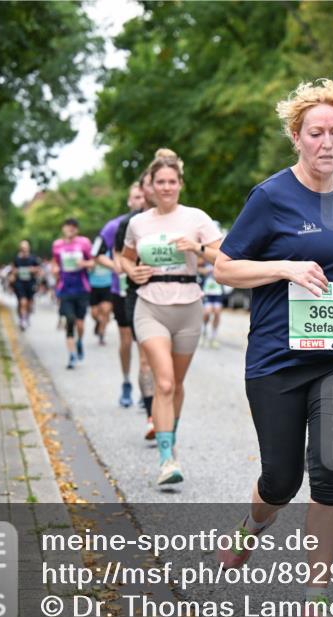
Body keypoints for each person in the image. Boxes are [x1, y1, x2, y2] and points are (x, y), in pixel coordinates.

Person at [214, 79, 333, 617]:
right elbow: (224, 268)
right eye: (316, 132)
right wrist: (285, 267)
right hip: (276, 358)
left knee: (329, 471)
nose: (327, 142)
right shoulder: (269, 198)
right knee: (281, 479)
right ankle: (251, 526)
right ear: (297, 137)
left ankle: (317, 598)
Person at [120, 149, 223, 485]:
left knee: (176, 384)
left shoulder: (196, 218)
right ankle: (166, 460)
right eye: (159, 182)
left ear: (180, 183)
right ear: (150, 186)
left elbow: (225, 256)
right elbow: (125, 258)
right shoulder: (138, 223)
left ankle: (170, 441)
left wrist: (196, 249)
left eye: (171, 181)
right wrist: (132, 273)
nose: (165, 187)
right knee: (163, 382)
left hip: (189, 305)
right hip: (150, 305)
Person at [115, 170, 158, 437]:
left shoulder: (175, 219)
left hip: (172, 295)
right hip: (138, 293)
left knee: (166, 362)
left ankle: (163, 407)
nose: (146, 194)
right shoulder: (129, 224)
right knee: (145, 357)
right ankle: (152, 415)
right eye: (143, 190)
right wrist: (131, 271)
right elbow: (121, 259)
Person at [97, 181, 146, 407]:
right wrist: (116, 264)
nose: (139, 201)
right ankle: (126, 381)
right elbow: (96, 253)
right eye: (135, 197)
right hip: (122, 290)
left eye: (142, 197)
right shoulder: (114, 226)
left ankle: (147, 393)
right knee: (127, 340)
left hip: (148, 291)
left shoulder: (155, 223)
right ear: (129, 201)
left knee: (146, 344)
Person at [51, 218, 94, 369]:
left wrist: (84, 264)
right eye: (67, 227)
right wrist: (55, 269)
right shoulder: (57, 245)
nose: (70, 229)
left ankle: (79, 342)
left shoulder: (84, 243)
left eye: (73, 227)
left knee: (80, 324)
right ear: (63, 228)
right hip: (65, 289)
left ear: (77, 230)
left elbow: (93, 262)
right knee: (70, 320)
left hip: (82, 288)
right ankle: (72, 356)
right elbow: (55, 262)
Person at [88, 227, 116, 345]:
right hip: (94, 286)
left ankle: (101, 334)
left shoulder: (111, 252)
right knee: (94, 314)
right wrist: (92, 264)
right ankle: (99, 322)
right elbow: (88, 269)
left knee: (105, 310)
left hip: (108, 285)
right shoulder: (91, 254)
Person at [10, 240, 42, 330]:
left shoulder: (33, 258)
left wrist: (32, 270)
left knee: (29, 303)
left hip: (30, 283)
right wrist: (14, 273)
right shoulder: (16, 258)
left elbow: (39, 269)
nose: (24, 249)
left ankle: (26, 317)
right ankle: (22, 320)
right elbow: (13, 269)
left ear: (28, 248)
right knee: (22, 302)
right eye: (22, 247)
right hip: (20, 283)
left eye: (25, 247)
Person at [199, 256, 225, 348]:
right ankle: (203, 331)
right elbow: (197, 267)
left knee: (217, 312)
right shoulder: (206, 258)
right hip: (207, 291)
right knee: (207, 312)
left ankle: (213, 337)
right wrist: (205, 271)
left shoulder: (222, 258)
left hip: (218, 291)